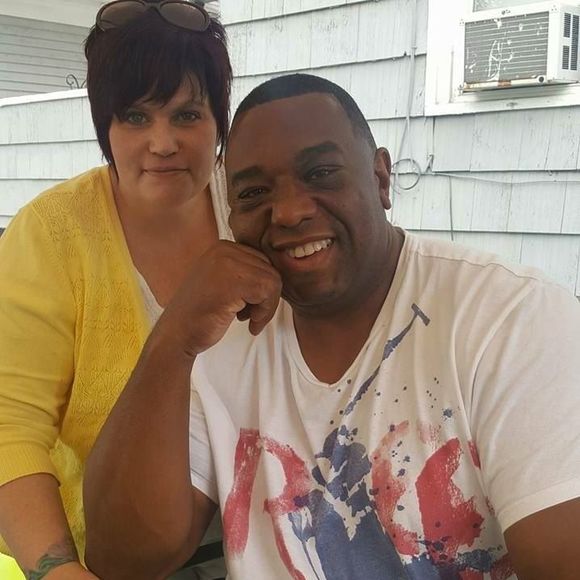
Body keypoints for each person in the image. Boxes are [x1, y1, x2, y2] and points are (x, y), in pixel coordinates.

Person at [84, 73, 580, 579]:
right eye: (253, 193)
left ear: (381, 179)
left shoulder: (509, 318)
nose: (289, 212)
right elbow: (121, 557)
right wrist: (172, 340)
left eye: (321, 173)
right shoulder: (216, 336)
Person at [0, 1, 232, 578]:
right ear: (105, 125)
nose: (162, 142)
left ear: (219, 121)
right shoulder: (52, 233)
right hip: (115, 555)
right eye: (135, 116)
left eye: (187, 114)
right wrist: (59, 571)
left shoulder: (254, 203)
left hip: (273, 536)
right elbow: (12, 425)